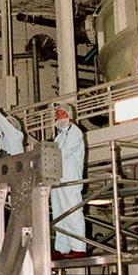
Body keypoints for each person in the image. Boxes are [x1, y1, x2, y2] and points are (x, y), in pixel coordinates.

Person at [51, 103, 87, 257]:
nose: (57, 117)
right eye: (57, 114)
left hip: (70, 179)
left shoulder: (75, 133)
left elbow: (62, 154)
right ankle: (62, 247)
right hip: (57, 179)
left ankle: (78, 247)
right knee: (59, 213)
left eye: (60, 114)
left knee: (72, 211)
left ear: (68, 115)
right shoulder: (60, 135)